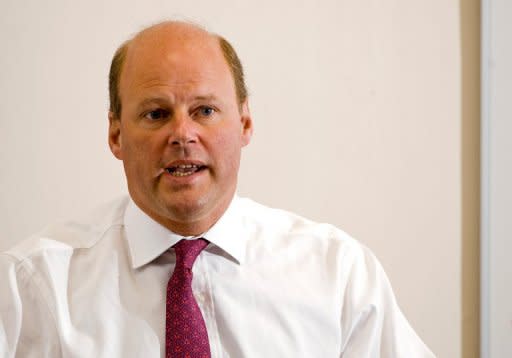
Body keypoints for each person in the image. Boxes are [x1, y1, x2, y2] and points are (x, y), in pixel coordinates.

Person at [0, 21, 435, 357]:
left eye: (205, 110)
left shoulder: (337, 274)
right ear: (116, 134)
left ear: (245, 123)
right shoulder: (32, 288)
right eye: (155, 114)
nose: (182, 134)